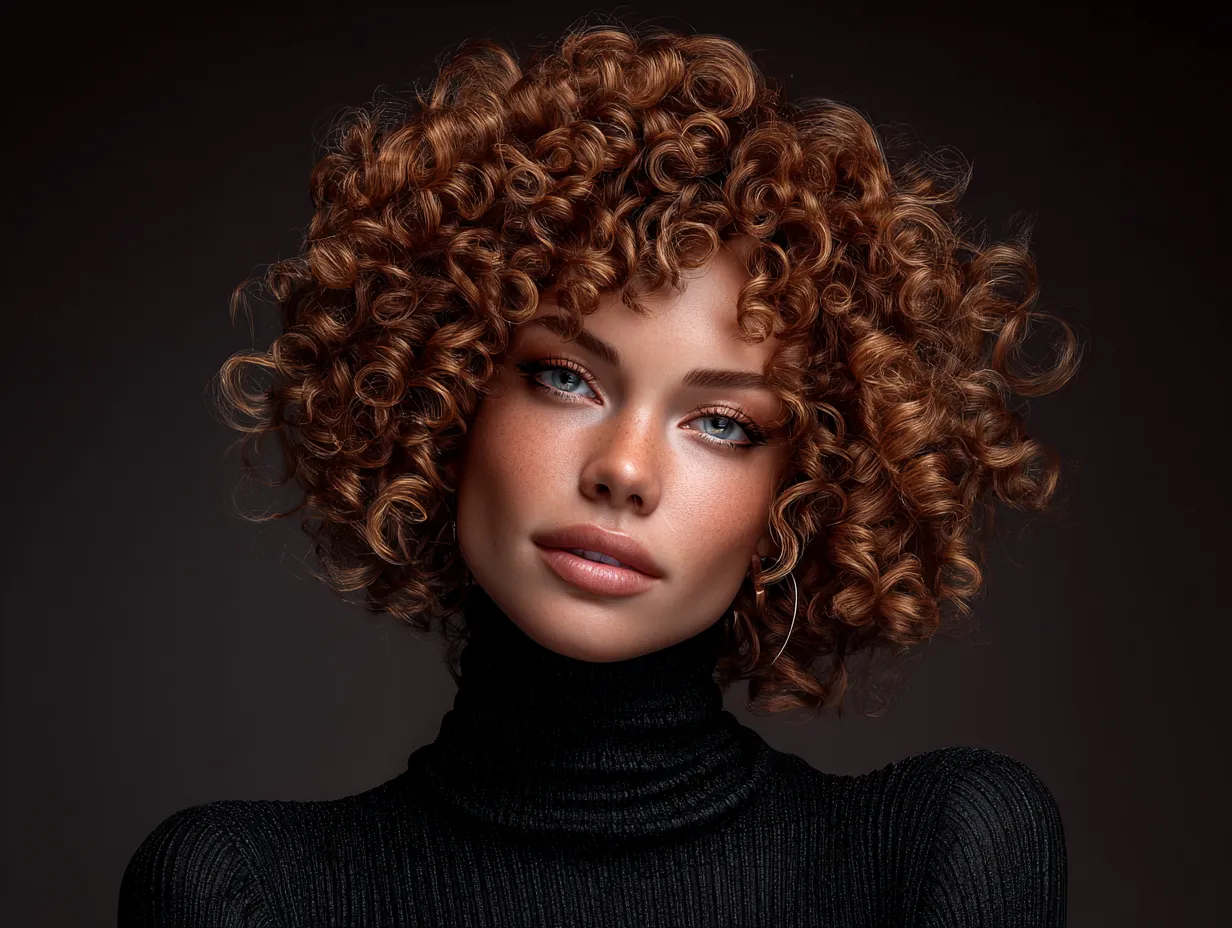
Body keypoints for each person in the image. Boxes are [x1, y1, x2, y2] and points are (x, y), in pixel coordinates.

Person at [118, 20, 1080, 927]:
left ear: (809, 493)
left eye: (721, 423)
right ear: (440, 396)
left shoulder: (939, 857)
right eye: (565, 377)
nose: (624, 470)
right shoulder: (241, 894)